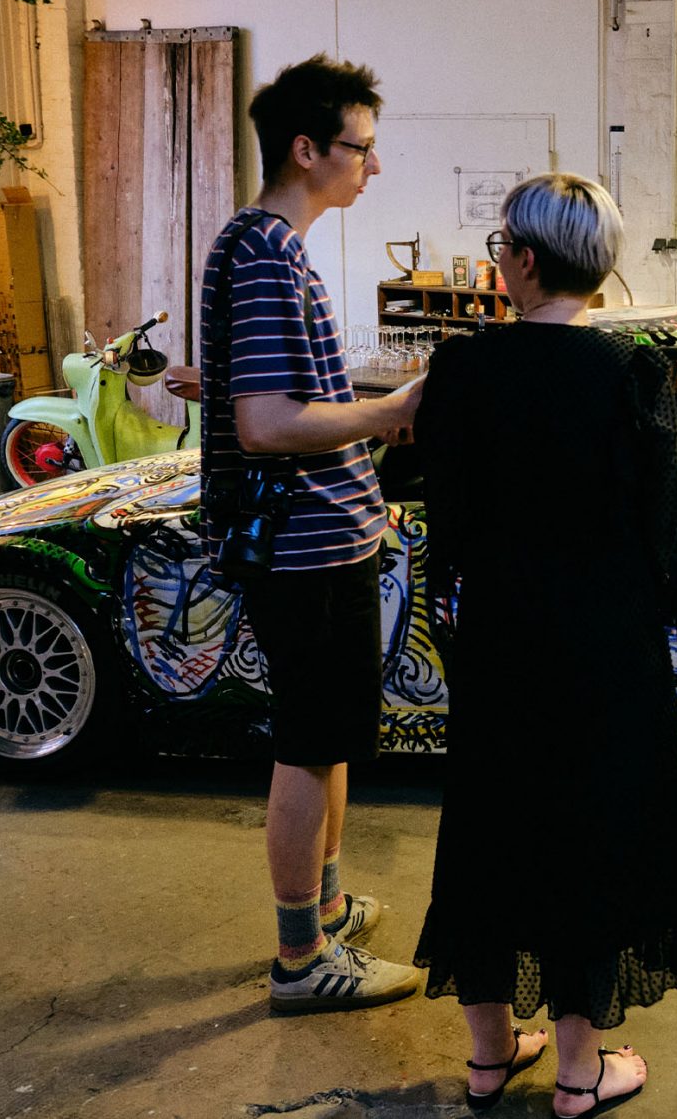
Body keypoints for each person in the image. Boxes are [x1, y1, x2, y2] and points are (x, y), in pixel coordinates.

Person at [409, 173, 677, 1116]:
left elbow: (446, 523)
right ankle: (583, 1072)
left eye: (501, 242)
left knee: (491, 822)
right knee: (589, 830)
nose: (496, 256)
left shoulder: (464, 369)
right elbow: (670, 534)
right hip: (604, 647)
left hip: (504, 639)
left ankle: (489, 1055)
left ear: (527, 260)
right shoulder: (634, 372)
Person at [198, 54, 421, 1014]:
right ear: (306, 148)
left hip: (329, 534)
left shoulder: (276, 251)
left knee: (329, 737)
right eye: (360, 149)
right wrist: (393, 411)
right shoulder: (260, 253)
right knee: (306, 739)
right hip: (298, 541)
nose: (372, 168)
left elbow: (275, 401)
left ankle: (324, 908)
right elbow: (264, 423)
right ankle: (301, 955)